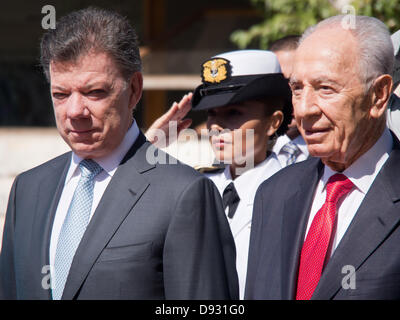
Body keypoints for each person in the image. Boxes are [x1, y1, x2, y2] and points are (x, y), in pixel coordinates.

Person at [0, 7, 239, 300]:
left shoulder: (184, 194)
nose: (74, 112)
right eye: (60, 95)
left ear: (134, 89)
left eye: (95, 92)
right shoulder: (28, 190)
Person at [245, 15, 400, 300]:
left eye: (325, 89)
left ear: (379, 95)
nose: (304, 110)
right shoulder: (274, 193)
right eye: (297, 89)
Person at [147, 50, 292, 299]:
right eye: (212, 114)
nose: (216, 126)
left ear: (273, 122)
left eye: (234, 113)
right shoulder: (196, 186)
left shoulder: (296, 192)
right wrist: (150, 144)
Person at [269, 35, 309, 166]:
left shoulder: (335, 153)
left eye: (297, 85)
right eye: (280, 84)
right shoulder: (246, 153)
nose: (290, 96)